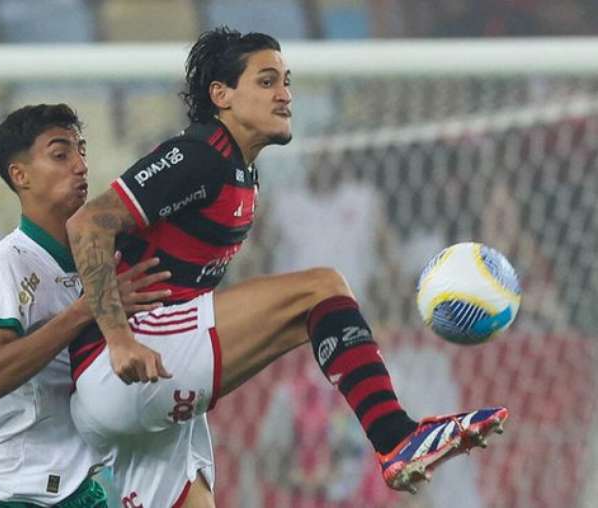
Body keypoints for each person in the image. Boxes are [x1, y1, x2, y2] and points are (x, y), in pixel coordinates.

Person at [66, 27, 509, 507]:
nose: (285, 95)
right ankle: (394, 435)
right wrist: (118, 338)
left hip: (149, 382)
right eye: (267, 81)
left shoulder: (243, 173)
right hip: (122, 363)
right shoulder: (197, 156)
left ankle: (395, 438)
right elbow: (88, 224)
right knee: (322, 289)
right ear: (222, 95)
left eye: (287, 81)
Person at [0, 104, 171, 508]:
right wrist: (90, 309)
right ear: (21, 175)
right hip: (9, 493)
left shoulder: (105, 256)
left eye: (81, 150)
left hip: (79, 490)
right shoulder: (9, 262)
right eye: (60, 154)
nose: (81, 165)